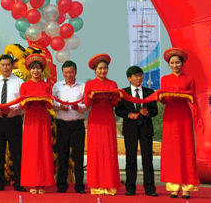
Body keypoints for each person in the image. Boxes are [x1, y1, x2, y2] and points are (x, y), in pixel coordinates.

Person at [160, 47, 200, 199]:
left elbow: (193, 98)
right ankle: (173, 187)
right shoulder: (165, 79)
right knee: (172, 150)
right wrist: (163, 96)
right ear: (169, 64)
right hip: (170, 115)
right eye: (172, 63)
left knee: (186, 148)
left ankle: (187, 187)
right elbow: (163, 99)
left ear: (182, 64)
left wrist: (187, 96)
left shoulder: (189, 79)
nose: (175, 65)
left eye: (177, 63)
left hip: (184, 115)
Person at [115, 65, 158, 197]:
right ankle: (130, 188)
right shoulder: (123, 93)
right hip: (130, 129)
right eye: (136, 76)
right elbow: (118, 110)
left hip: (146, 129)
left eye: (140, 75)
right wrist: (128, 115)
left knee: (147, 159)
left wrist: (147, 112)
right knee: (130, 159)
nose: (139, 78)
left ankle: (150, 189)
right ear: (129, 78)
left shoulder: (149, 92)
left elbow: (155, 111)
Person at [84, 54, 121, 195]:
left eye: (105, 68)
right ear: (95, 70)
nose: (102, 71)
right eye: (100, 68)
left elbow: (116, 103)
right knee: (96, 151)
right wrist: (92, 96)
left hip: (108, 116)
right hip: (95, 118)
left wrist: (113, 97)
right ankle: (96, 185)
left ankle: (110, 185)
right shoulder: (90, 84)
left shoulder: (113, 84)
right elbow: (87, 103)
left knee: (109, 149)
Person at [0, 54, 25, 192]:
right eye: (2, 65)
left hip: (14, 120)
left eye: (8, 64)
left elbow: (22, 102)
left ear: (13, 65)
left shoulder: (20, 83)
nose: (5, 67)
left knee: (17, 152)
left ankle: (18, 182)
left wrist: (12, 109)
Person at [19, 54, 55, 194]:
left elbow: (51, 105)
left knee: (44, 149)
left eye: (38, 69)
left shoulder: (47, 85)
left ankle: (43, 183)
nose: (36, 71)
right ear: (29, 70)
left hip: (43, 118)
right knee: (31, 150)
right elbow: (21, 105)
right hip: (30, 119)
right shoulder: (25, 85)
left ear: (42, 70)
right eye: (33, 69)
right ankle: (32, 182)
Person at [52, 60, 87, 194]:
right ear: (62, 73)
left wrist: (79, 107)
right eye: (66, 73)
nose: (69, 75)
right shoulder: (57, 86)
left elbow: (87, 104)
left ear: (76, 72)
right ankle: (61, 185)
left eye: (71, 72)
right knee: (62, 156)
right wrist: (59, 106)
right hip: (62, 124)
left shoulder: (83, 87)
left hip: (77, 123)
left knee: (78, 156)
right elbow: (52, 102)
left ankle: (79, 186)